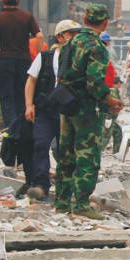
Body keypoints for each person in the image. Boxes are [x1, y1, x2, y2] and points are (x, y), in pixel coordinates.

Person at [54, 4, 122, 219]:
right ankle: (82, 203)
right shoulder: (97, 46)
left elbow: (63, 74)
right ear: (105, 23)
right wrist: (110, 100)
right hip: (87, 107)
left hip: (67, 103)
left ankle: (62, 202)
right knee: (87, 156)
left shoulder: (69, 43)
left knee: (66, 154)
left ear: (84, 19)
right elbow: (95, 84)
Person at [23, 19, 82, 201]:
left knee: (67, 151)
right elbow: (31, 81)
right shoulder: (45, 57)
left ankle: (67, 189)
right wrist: (29, 105)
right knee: (41, 144)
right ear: (60, 36)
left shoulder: (79, 59)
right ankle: (41, 185)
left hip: (69, 112)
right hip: (46, 111)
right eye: (72, 34)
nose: (76, 38)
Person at [0, 0, 43, 130]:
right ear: (18, 1)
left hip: (4, 61)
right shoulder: (27, 17)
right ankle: (23, 127)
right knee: (22, 95)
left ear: (3, 2)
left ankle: (12, 129)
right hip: (24, 62)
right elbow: (40, 36)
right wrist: (40, 58)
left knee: (6, 96)